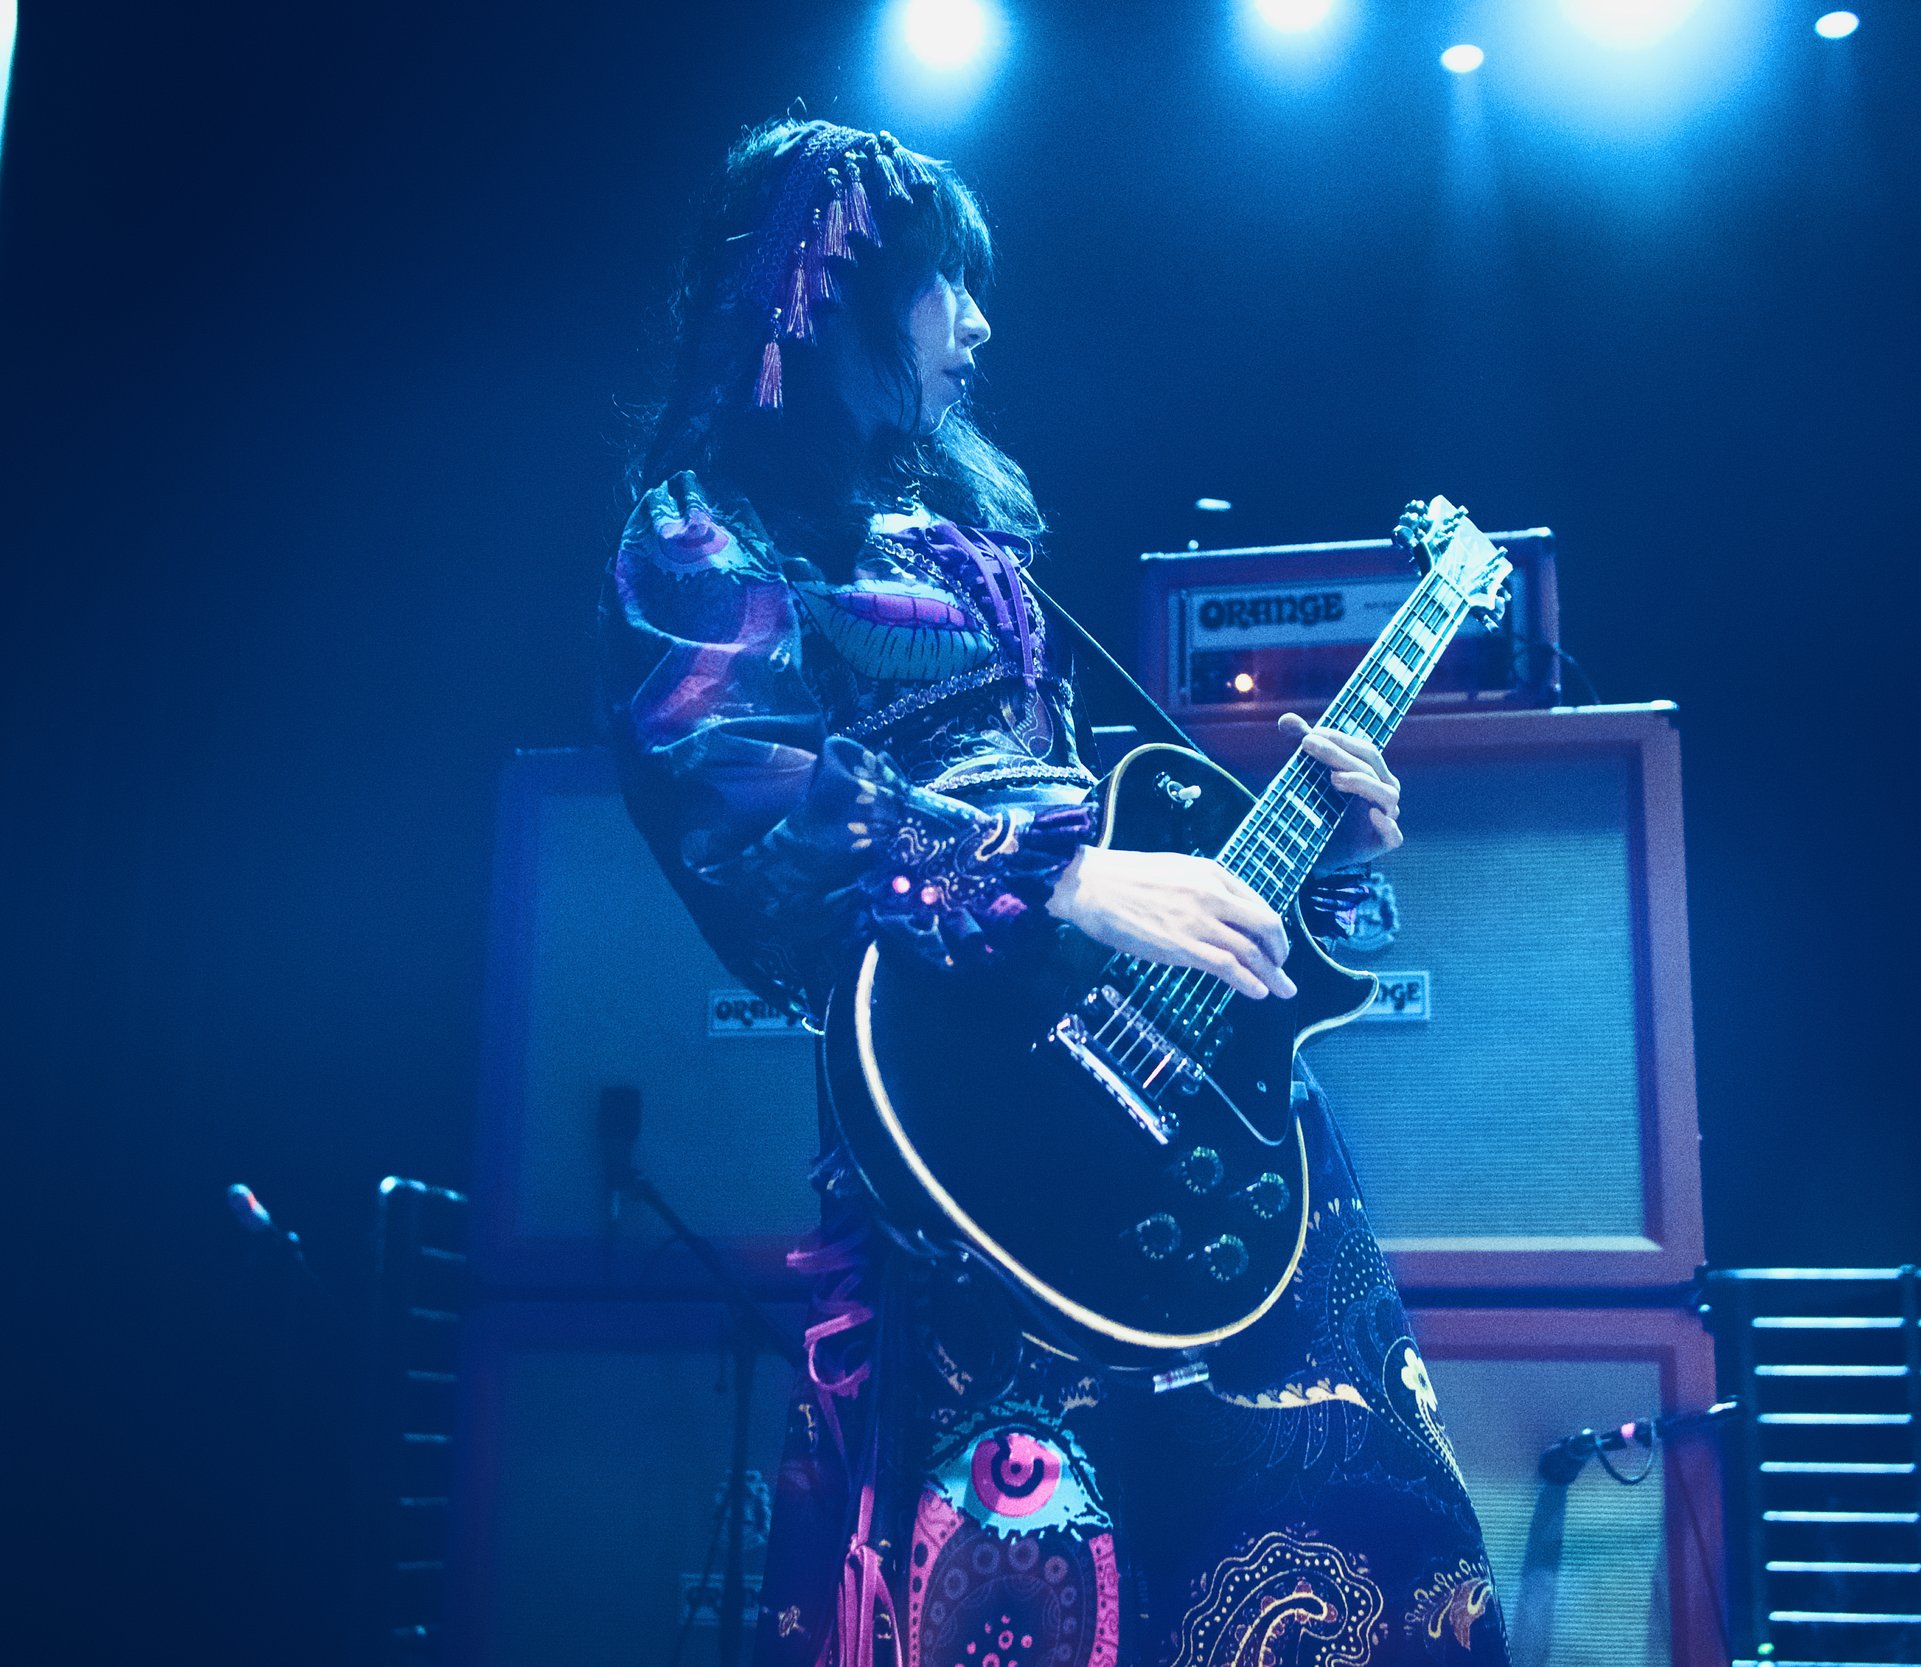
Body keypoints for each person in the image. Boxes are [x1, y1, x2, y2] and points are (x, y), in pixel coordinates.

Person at [600, 117, 1510, 1666]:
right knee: (1041, 1565)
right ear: (831, 296)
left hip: (1179, 1119)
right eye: (951, 283)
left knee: (1363, 1532)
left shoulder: (958, 541)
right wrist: (1065, 875)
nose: (982, 324)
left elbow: (1107, 829)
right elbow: (737, 802)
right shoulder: (708, 535)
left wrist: (1316, 870)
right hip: (987, 1148)